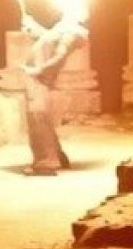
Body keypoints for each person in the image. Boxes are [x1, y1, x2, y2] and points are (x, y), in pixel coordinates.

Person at [20, 11, 87, 176]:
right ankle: (56, 156)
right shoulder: (62, 29)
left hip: (40, 79)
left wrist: (39, 71)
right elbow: (48, 40)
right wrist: (33, 26)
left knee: (38, 117)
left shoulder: (72, 31)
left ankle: (46, 162)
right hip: (37, 79)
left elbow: (60, 56)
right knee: (40, 118)